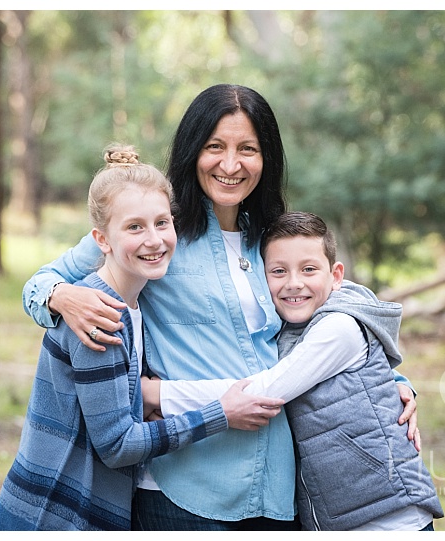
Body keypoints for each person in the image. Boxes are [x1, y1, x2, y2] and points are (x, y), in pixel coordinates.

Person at [21, 84, 419, 530]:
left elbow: (321, 309)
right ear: (193, 150)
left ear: (266, 158)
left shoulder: (271, 235)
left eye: (247, 149)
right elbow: (39, 283)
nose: (231, 165)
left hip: (278, 482)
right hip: (186, 483)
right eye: (215, 147)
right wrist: (59, 296)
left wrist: (391, 381)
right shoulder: (158, 230)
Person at [0, 144, 284, 531]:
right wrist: (221, 413)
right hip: (55, 512)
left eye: (163, 223)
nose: (154, 240)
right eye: (134, 227)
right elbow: (117, 445)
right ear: (102, 239)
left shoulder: (135, 305)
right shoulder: (99, 316)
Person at [148, 211, 444, 530]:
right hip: (343, 515)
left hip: (388, 516)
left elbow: (262, 391)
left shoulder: (339, 328)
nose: (294, 283)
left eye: (309, 269)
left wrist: (155, 393)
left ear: (336, 275)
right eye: (278, 271)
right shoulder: (290, 330)